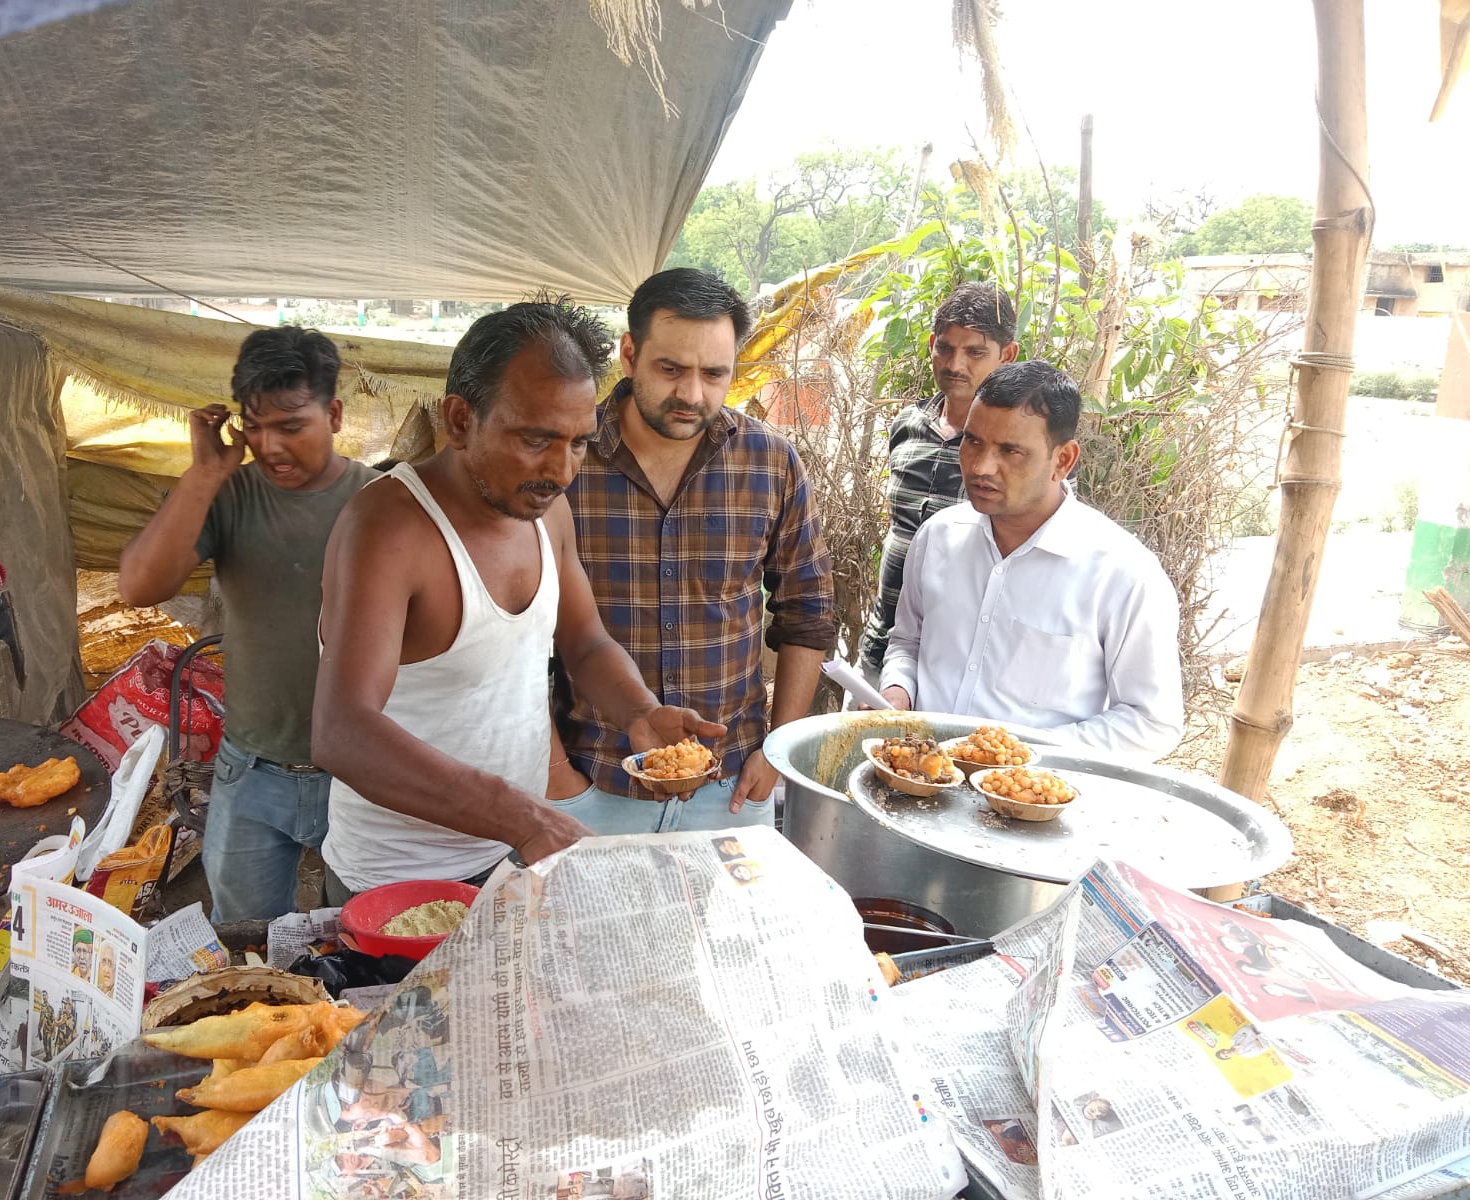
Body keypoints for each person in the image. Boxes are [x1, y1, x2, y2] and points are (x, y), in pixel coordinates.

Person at [312, 299, 724, 897]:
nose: (561, 470)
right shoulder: (387, 529)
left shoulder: (545, 510)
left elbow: (583, 641)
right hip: (399, 880)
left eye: (580, 443)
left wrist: (638, 711)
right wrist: (523, 816)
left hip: (513, 854)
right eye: (536, 440)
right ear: (459, 420)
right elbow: (342, 730)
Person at [549, 267, 835, 834]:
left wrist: (774, 753)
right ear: (629, 355)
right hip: (594, 783)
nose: (692, 394)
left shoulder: (770, 463)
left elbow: (808, 614)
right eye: (671, 369)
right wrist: (558, 776)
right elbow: (520, 633)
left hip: (730, 787)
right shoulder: (565, 462)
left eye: (713, 374)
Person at [119, 326, 374, 922]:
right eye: (253, 427)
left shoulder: (379, 500)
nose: (271, 446)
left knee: (364, 936)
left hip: (363, 772)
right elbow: (139, 586)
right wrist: (205, 474)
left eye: (290, 426)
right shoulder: (229, 496)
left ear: (333, 414)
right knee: (243, 936)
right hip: (253, 766)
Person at [879, 361, 1184, 759]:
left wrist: (1016, 755)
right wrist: (897, 690)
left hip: (1030, 804)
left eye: (1010, 451)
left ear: (1063, 460)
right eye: (973, 442)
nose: (981, 467)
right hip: (920, 782)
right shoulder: (939, 536)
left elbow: (1152, 722)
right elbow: (907, 641)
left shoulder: (1122, 573)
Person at [858, 282, 1019, 677]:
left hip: (956, 670)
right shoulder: (907, 425)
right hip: (881, 650)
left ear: (1007, 355)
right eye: (945, 348)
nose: (955, 365)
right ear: (931, 344)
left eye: (975, 352)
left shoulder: (1023, 452)